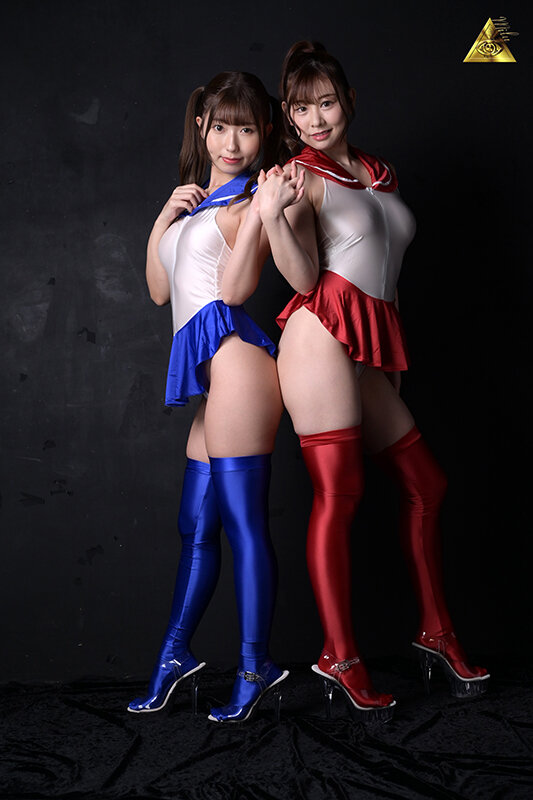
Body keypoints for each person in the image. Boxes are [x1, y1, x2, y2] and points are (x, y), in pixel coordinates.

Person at [254, 41, 489, 721]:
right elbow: (305, 277)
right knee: (340, 492)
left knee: (427, 485)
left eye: (327, 103)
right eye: (301, 110)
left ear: (349, 102)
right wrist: (271, 216)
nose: (316, 119)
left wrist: (386, 359)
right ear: (289, 117)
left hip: (366, 344)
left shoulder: (379, 173)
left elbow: (386, 267)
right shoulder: (299, 177)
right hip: (318, 335)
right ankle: (338, 654)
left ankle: (436, 633)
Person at [127, 71, 298, 723]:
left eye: (246, 129)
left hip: (239, 366)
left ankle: (257, 666)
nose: (231, 142)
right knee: (194, 526)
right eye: (220, 126)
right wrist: (164, 217)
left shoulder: (255, 198)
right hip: (212, 380)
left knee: (242, 524)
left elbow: (231, 291)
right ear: (200, 126)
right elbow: (159, 292)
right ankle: (174, 656)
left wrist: (259, 215)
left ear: (264, 133)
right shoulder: (197, 203)